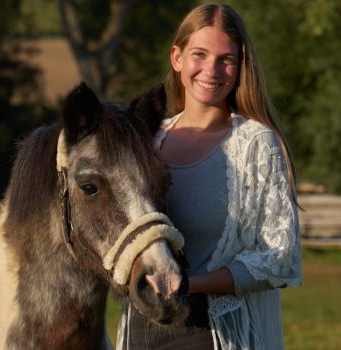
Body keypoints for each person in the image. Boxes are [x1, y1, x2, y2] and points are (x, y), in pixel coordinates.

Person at [116, 3, 302, 350]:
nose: (211, 70)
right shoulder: (145, 142)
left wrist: (189, 284)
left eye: (226, 59)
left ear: (240, 66)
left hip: (213, 335)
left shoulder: (257, 145)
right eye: (199, 54)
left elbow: (280, 257)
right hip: (141, 331)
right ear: (177, 58)